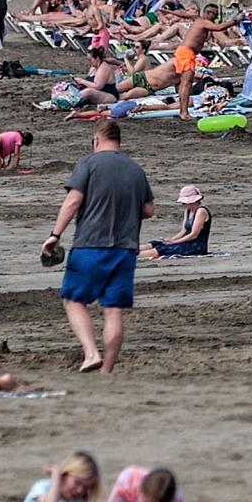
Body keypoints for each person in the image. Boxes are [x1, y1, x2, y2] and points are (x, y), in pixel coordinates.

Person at [43, 120, 154, 374]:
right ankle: (107, 372)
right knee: (113, 310)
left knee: (73, 299)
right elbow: (148, 210)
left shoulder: (88, 164)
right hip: (125, 249)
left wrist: (55, 235)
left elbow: (73, 201)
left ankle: (91, 353)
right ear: (119, 141)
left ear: (96, 140)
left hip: (91, 244)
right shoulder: (135, 169)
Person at [142, 184, 211, 258]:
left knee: (161, 249)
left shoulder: (201, 211)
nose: (183, 204)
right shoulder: (188, 210)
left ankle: (135, 256)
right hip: (185, 242)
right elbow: (184, 231)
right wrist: (171, 240)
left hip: (195, 247)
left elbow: (194, 235)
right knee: (155, 244)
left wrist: (174, 242)